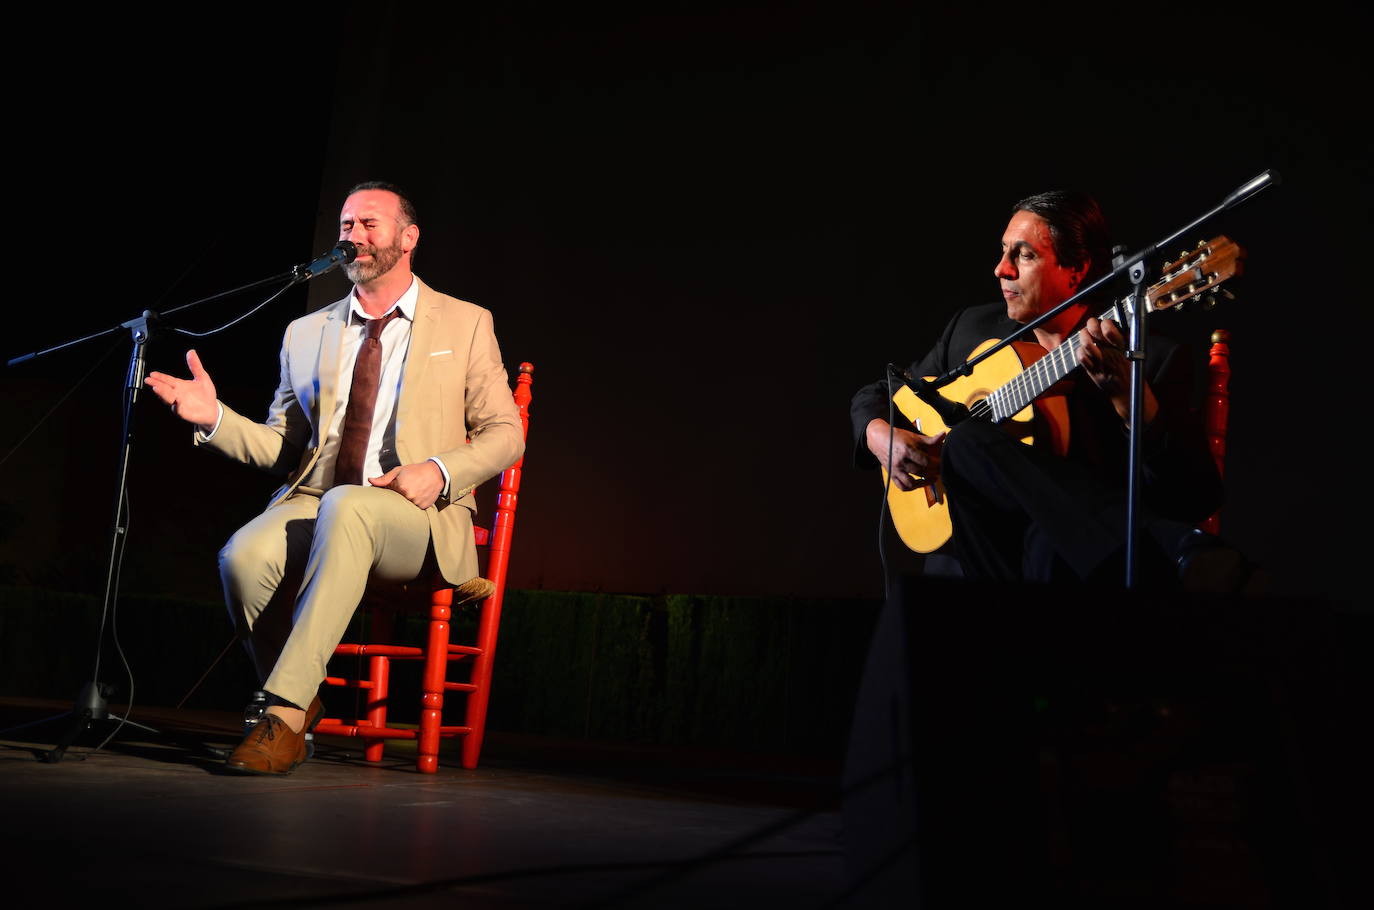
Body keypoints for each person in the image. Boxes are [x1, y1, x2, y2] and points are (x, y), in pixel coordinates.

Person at [146, 181, 525, 774]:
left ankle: (281, 715)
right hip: (317, 500)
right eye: (347, 225)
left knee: (349, 506)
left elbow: (506, 433)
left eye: (370, 224)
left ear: (409, 237)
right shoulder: (306, 332)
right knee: (242, 557)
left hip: (414, 515)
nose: (355, 235)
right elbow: (283, 448)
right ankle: (302, 699)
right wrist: (215, 419)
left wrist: (439, 470)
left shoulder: (465, 323)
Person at [850, 190, 1237, 588]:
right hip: (972, 561)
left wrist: (1130, 401)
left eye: (1024, 255)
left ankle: (1173, 550)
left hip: (1073, 576)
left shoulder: (1148, 359)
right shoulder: (972, 330)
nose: (1001, 269)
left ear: (1076, 269)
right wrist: (879, 435)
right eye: (1003, 251)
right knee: (965, 442)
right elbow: (882, 393)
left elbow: (1196, 496)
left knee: (975, 453)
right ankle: (1173, 547)